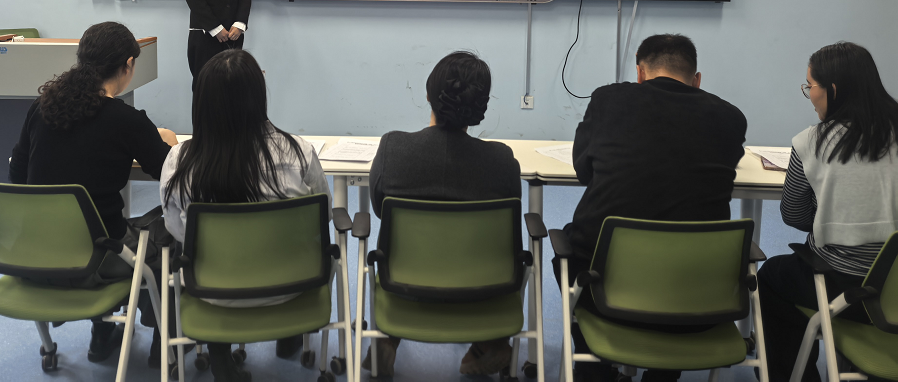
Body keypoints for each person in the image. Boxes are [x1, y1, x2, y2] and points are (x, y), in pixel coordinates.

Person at [560, 34, 747, 382]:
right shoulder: (731, 117)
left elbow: (584, 170)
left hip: (605, 291)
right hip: (700, 298)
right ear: (697, 80)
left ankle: (593, 369)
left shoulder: (609, 100)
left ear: (640, 73)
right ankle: (663, 376)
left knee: (567, 250)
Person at [9, 21, 177, 364]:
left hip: (35, 253)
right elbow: (170, 179)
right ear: (128, 64)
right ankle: (165, 344)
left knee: (100, 226)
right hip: (99, 257)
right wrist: (168, 143)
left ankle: (103, 332)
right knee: (168, 233)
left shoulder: (42, 107)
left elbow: (17, 174)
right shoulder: (126, 120)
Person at [160, 50, 330, 382]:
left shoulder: (180, 161)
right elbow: (319, 219)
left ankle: (219, 355)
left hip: (212, 291)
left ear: (202, 101)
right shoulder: (300, 153)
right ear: (259, 95)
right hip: (292, 287)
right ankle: (290, 336)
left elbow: (176, 229)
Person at [368, 51, 522, 377]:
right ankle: (489, 344)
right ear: (481, 107)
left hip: (405, 285)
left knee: (395, 253)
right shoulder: (502, 162)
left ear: (428, 95)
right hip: (482, 289)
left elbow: (380, 207)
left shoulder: (393, 149)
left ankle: (385, 338)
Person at [758, 42, 898, 382]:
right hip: (895, 287)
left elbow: (793, 214)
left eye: (810, 86)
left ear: (832, 90)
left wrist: (829, 218)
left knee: (770, 278)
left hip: (847, 287)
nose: (809, 95)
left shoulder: (811, 142)